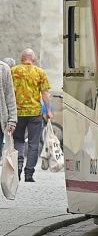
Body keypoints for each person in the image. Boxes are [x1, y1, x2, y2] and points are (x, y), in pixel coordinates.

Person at [11, 49, 51, 182]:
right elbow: (45, 93)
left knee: (18, 140)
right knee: (34, 143)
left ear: (22, 58)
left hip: (18, 112)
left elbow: (8, 92)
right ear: (33, 59)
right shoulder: (40, 72)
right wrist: (49, 111)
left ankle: (18, 166)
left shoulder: (14, 71)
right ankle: (29, 174)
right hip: (35, 113)